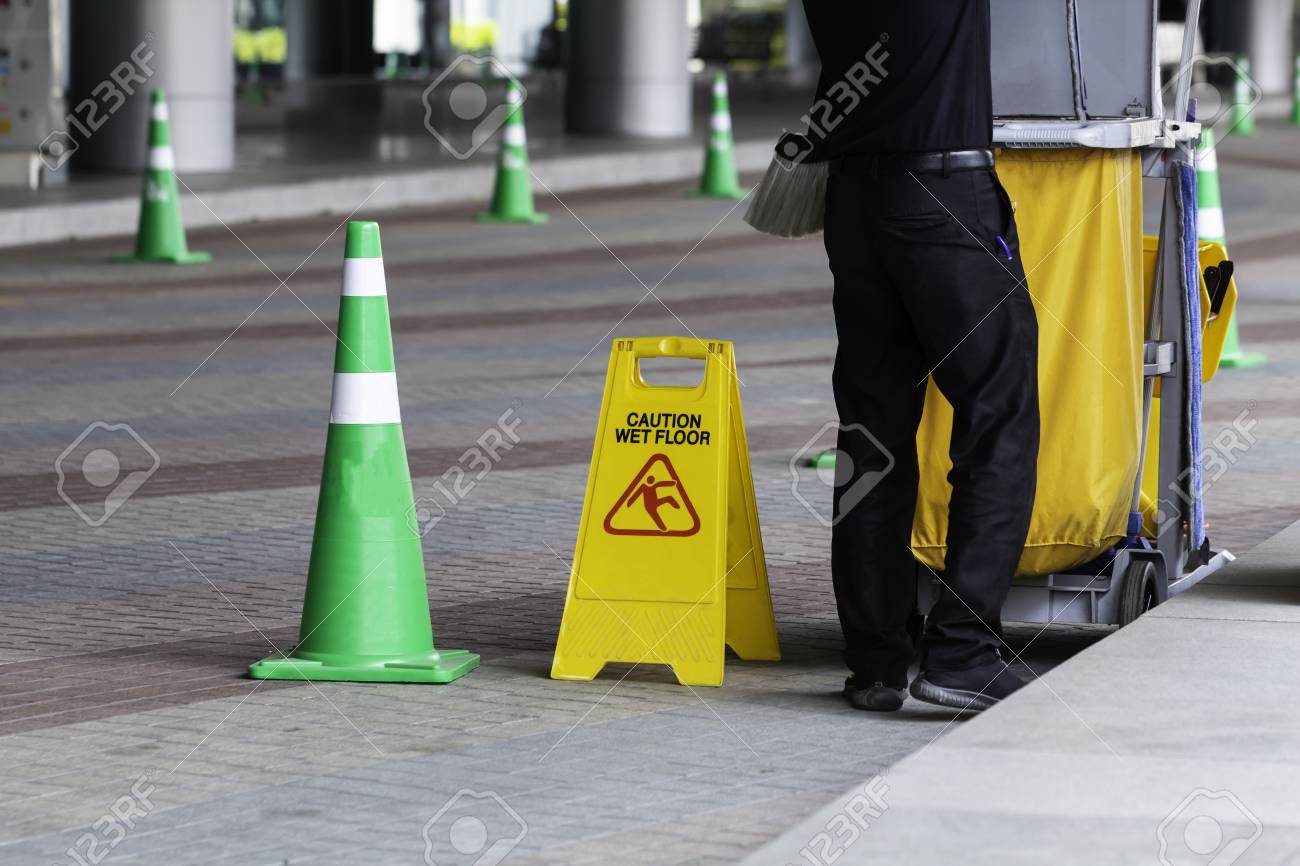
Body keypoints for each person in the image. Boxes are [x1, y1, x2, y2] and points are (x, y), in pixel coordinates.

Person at [799, 1, 1040, 712]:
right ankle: (963, 650)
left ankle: (875, 659)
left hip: (855, 202)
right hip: (942, 194)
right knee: (999, 414)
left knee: (872, 431)